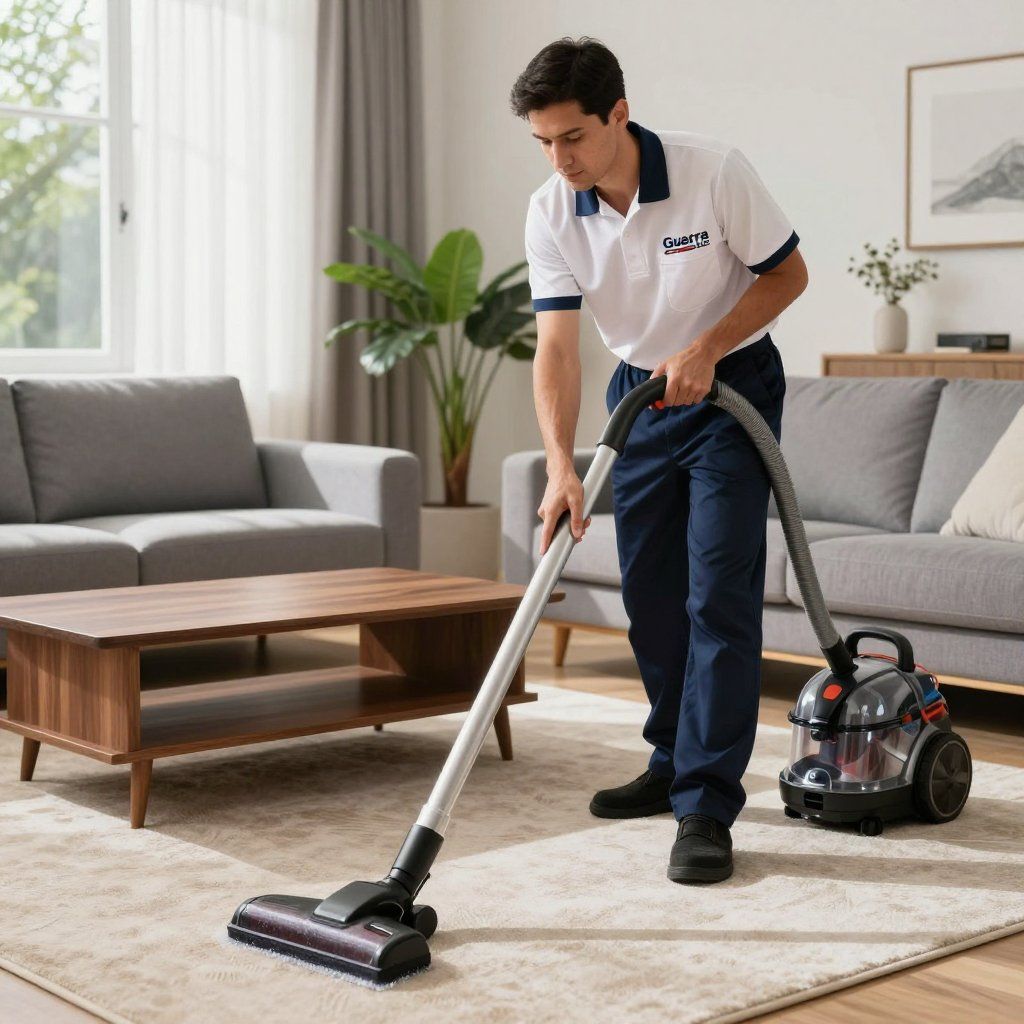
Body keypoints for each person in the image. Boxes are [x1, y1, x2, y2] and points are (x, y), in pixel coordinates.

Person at [509, 37, 808, 883]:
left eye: (573, 136)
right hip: (638, 395)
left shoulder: (713, 172)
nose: (560, 159)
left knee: (718, 593)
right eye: (543, 142)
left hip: (731, 387)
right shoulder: (551, 211)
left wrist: (707, 347)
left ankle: (706, 803)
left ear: (619, 114)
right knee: (648, 593)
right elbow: (557, 348)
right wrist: (560, 466)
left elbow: (789, 276)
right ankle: (673, 756)